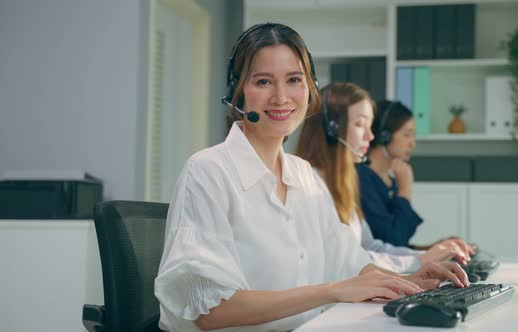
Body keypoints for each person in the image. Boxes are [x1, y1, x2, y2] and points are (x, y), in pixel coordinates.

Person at [154, 23, 469, 332]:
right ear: (237, 93)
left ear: (310, 88)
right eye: (263, 82)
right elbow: (210, 311)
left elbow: (351, 263)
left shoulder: (304, 176)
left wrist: (413, 284)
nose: (281, 97)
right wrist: (331, 291)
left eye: (294, 80)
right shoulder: (208, 172)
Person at [295, 83, 471, 274]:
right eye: (360, 124)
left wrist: (427, 255)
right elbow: (349, 260)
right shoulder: (310, 184)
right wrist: (419, 260)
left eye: (370, 126)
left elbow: (370, 246)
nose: (371, 136)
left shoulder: (343, 183)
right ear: (332, 129)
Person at [357, 100, 475, 253]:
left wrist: (433, 249)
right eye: (407, 135)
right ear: (383, 136)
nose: (412, 144)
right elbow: (390, 242)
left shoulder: (389, 182)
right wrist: (405, 191)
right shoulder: (361, 178)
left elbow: (394, 247)